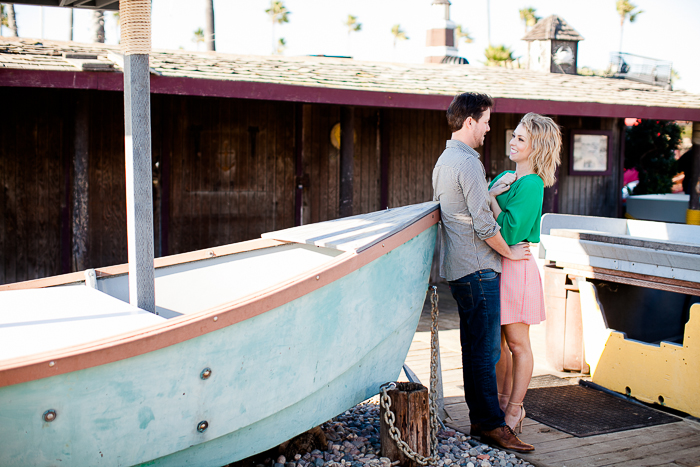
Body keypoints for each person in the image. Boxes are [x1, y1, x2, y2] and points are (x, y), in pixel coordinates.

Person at [432, 93, 534, 453]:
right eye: (487, 121)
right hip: (478, 269)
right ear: (470, 121)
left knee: (473, 348)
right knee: (486, 352)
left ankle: (480, 422)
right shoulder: (469, 164)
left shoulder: (445, 161)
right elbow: (485, 224)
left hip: (460, 270)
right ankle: (492, 425)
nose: (491, 128)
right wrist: (511, 254)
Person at [488, 112, 562, 433]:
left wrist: (492, 199)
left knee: (518, 344)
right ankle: (502, 405)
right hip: (497, 265)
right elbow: (478, 210)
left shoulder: (532, 184)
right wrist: (490, 198)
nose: (513, 141)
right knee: (500, 346)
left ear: (537, 147)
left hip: (516, 267)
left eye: (521, 138)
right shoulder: (506, 175)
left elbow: (507, 231)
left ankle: (515, 409)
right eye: (514, 135)